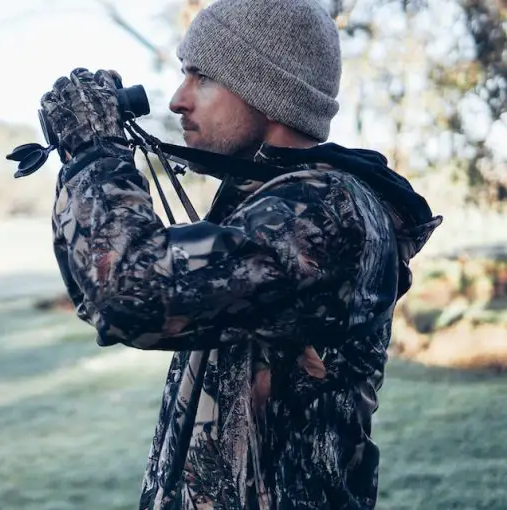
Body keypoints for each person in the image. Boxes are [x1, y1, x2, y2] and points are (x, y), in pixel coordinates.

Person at [38, 0, 444, 508]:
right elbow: (101, 292)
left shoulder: (326, 211)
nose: (177, 100)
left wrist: (96, 152)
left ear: (270, 91)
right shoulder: (272, 203)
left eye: (201, 76)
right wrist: (83, 165)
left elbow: (132, 296)